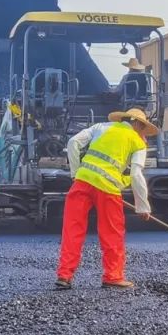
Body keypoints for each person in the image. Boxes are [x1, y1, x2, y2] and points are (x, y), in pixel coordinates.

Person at [55, 108, 156, 290]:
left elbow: (73, 142)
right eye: (143, 128)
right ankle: (113, 276)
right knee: (112, 233)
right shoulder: (137, 141)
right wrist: (143, 206)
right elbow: (136, 175)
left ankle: (64, 276)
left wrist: (75, 173)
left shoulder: (100, 127)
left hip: (82, 182)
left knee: (72, 230)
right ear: (138, 124)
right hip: (108, 189)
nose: (143, 133)